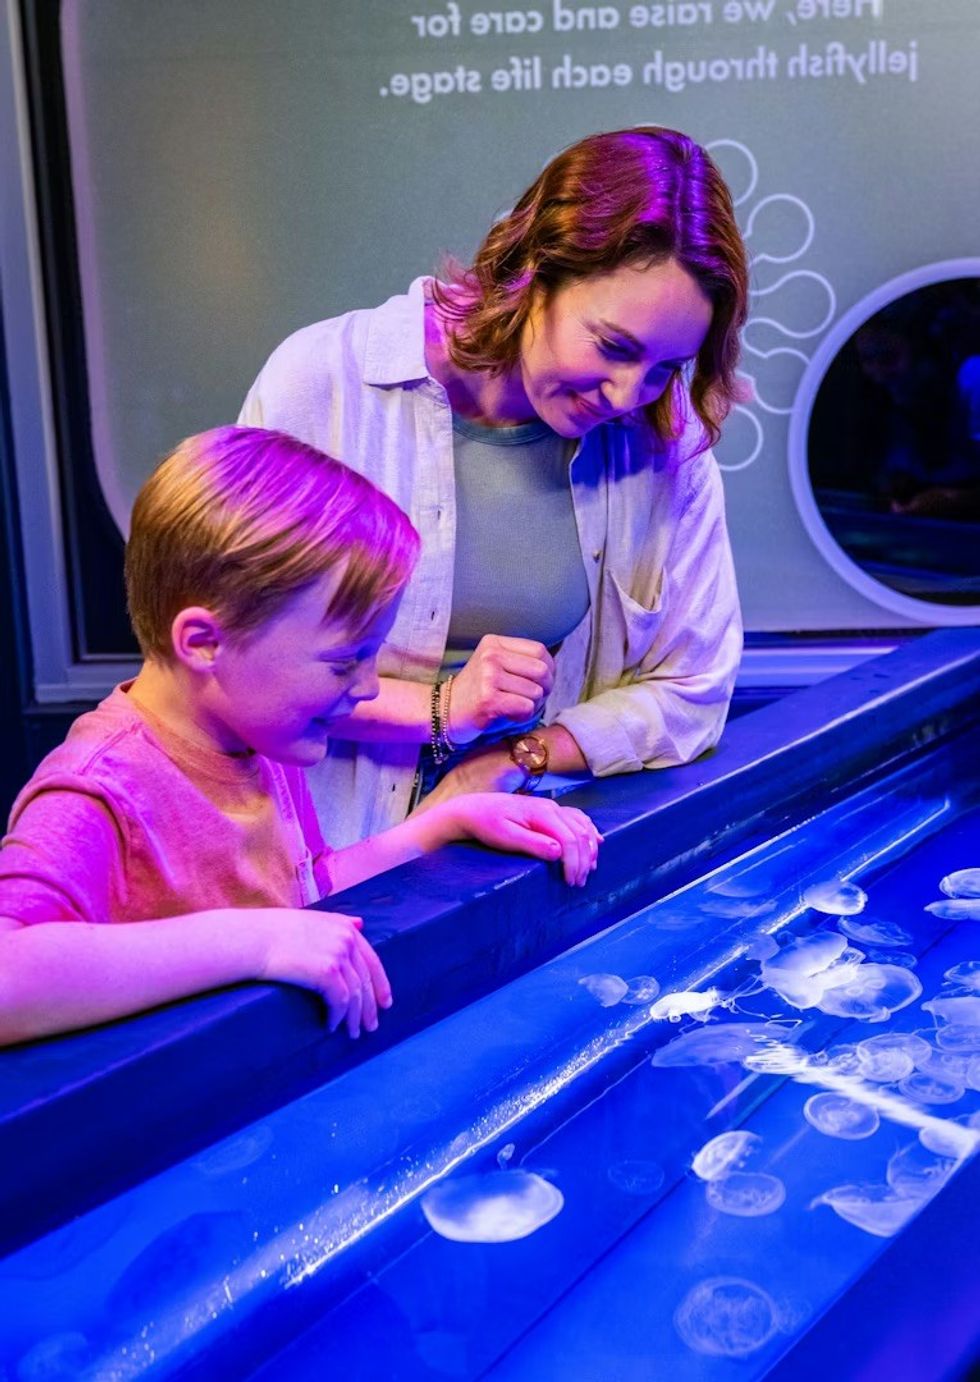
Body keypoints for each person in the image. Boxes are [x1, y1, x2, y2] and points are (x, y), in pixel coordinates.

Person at [0, 427, 601, 1047]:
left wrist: (446, 823)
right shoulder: (100, 786)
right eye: (344, 662)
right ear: (205, 642)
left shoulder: (254, 742)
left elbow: (302, 891)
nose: (369, 688)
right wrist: (255, 940)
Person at [239, 125, 749, 849]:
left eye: (668, 367)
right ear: (532, 270)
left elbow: (694, 689)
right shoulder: (324, 383)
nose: (629, 393)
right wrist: (441, 709)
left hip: (520, 850)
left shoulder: (666, 441)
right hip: (310, 858)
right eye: (612, 346)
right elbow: (241, 661)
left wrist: (519, 758)